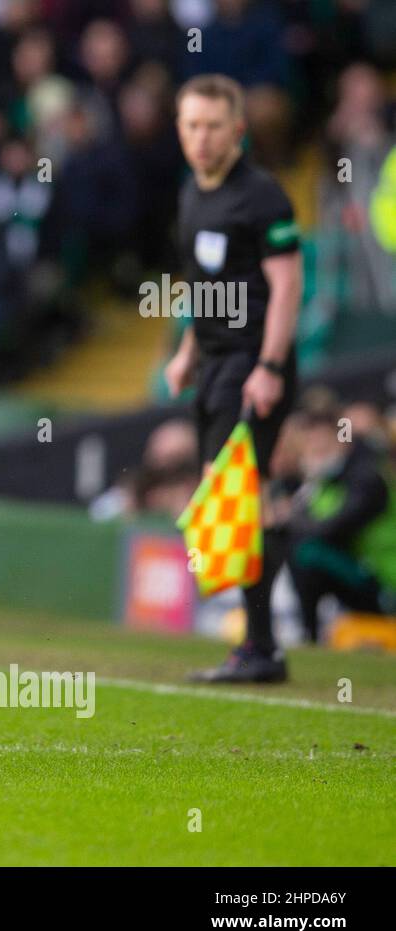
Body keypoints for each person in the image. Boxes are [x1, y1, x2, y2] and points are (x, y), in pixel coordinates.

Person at [162, 74, 304, 683]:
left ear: (237, 130)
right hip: (216, 363)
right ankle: (263, 643)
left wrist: (270, 367)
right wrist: (188, 348)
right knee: (245, 503)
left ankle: (261, 648)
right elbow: (204, 287)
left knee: (237, 503)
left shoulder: (263, 195)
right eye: (192, 125)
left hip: (252, 366)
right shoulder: (193, 193)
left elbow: (287, 286)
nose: (202, 137)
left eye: (214, 125)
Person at [284, 404, 396, 643]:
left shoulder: (367, 478)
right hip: (364, 574)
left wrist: (290, 518)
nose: (316, 452)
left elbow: (331, 529)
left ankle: (309, 635)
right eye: (311, 447)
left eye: (322, 446)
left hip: (385, 580)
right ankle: (309, 633)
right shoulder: (325, 483)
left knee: (308, 553)